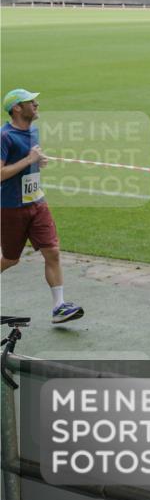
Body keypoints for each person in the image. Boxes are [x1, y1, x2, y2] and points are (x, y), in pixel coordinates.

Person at [1, 89, 84, 324]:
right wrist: (28, 160)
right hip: (11, 207)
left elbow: (30, 161)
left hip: (37, 202)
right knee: (10, 259)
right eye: (31, 101)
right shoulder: (4, 137)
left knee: (52, 251)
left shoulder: (33, 131)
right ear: (17, 108)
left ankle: (59, 307)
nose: (36, 104)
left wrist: (38, 162)